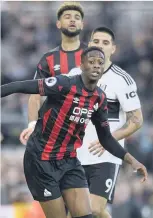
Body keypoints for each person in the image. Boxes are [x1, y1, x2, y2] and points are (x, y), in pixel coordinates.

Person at [1, 47, 148, 218]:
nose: (96, 66)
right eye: (91, 62)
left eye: (100, 63)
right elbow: (21, 86)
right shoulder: (64, 84)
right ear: (81, 65)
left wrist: (131, 160)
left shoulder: (99, 98)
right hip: (41, 161)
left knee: (87, 215)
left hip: (69, 161)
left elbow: (106, 138)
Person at [77, 27, 144, 218]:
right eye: (96, 41)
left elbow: (137, 120)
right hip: (75, 153)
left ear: (113, 49)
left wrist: (109, 139)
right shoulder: (76, 73)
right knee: (78, 211)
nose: (100, 45)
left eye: (105, 43)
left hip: (105, 155)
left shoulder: (122, 80)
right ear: (89, 45)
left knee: (95, 208)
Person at [20, 1, 86, 145]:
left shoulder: (93, 56)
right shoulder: (49, 58)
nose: (72, 19)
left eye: (77, 17)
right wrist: (32, 124)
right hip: (57, 133)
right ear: (58, 24)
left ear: (82, 24)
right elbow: (35, 95)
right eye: (67, 16)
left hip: (89, 131)